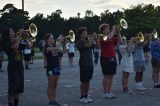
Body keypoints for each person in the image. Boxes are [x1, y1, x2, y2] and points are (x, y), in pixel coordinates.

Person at [1, 28, 24, 106]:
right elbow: (14, 47)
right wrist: (20, 35)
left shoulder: (16, 40)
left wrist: (25, 38)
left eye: (13, 31)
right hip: (12, 68)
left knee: (18, 90)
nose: (13, 33)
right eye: (11, 32)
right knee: (12, 90)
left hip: (20, 67)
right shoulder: (5, 43)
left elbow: (28, 46)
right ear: (7, 34)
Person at [99, 24, 121, 98]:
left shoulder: (112, 37)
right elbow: (108, 38)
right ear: (103, 31)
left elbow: (120, 41)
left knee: (111, 76)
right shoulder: (103, 37)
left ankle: (109, 91)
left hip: (113, 57)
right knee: (106, 76)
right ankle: (105, 93)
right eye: (107, 29)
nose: (108, 30)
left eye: (109, 28)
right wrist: (113, 29)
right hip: (105, 58)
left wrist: (118, 33)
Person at [77, 27, 94, 104]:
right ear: (81, 34)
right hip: (84, 63)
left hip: (90, 63)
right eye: (85, 33)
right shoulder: (80, 42)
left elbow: (96, 46)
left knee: (88, 80)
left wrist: (95, 39)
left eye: (86, 32)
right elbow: (88, 45)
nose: (86, 34)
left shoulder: (88, 40)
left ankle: (86, 96)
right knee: (83, 81)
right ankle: (82, 97)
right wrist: (93, 38)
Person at [44, 33, 61, 106]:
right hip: (50, 68)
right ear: (47, 40)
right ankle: (50, 102)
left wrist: (59, 43)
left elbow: (61, 51)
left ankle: (54, 101)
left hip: (57, 67)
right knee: (50, 85)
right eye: (51, 38)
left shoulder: (54, 45)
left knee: (55, 85)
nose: (53, 39)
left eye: (53, 37)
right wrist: (59, 41)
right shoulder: (46, 47)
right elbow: (55, 49)